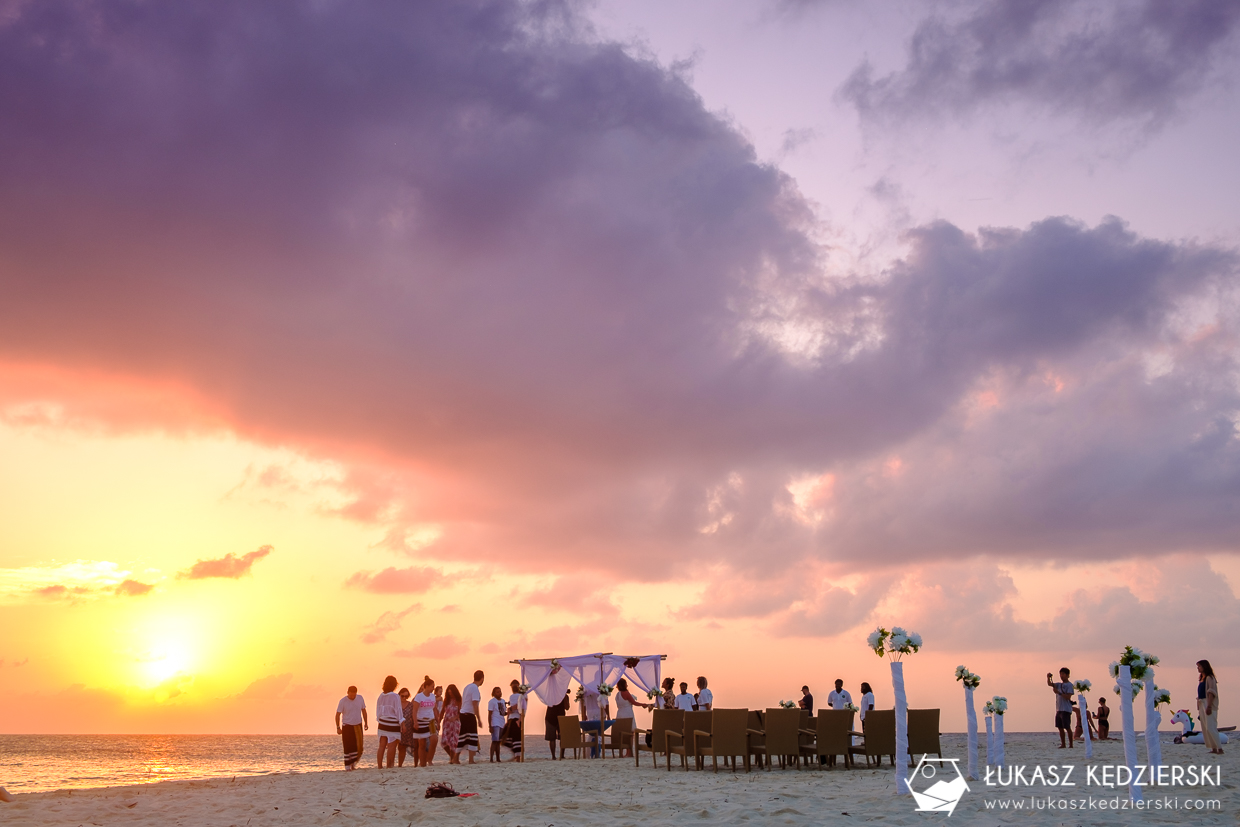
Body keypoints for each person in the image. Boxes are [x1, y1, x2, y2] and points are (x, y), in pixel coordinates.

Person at [334, 685, 368, 770]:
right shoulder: (343, 701)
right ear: (347, 693)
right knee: (348, 746)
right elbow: (337, 714)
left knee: (358, 746)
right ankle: (348, 766)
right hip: (347, 726)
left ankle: (353, 764)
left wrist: (366, 723)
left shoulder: (360, 698)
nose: (352, 696)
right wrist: (338, 727)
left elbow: (363, 710)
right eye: (351, 695)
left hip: (357, 725)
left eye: (354, 695)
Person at [614, 678, 649, 758]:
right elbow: (634, 702)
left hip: (620, 713)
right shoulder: (626, 693)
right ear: (624, 685)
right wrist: (642, 704)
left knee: (622, 733)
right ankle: (629, 752)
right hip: (627, 713)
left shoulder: (617, 694)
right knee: (630, 733)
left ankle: (624, 752)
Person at [376, 675, 403, 768]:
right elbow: (398, 710)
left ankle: (379, 766)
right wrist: (402, 722)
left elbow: (378, 711)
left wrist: (380, 720)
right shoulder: (395, 696)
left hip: (382, 722)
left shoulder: (381, 696)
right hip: (392, 723)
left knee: (382, 745)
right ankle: (389, 765)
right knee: (392, 745)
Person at [412, 676, 437, 767]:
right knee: (422, 743)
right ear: (426, 686)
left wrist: (437, 720)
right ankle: (422, 763)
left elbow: (434, 709)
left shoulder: (433, 696)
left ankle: (429, 760)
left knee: (434, 739)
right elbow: (414, 710)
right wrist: (415, 722)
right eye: (432, 686)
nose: (433, 688)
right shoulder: (419, 697)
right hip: (420, 721)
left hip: (431, 721)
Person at [1199, 659, 1222, 754]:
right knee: (1205, 727)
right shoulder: (1201, 678)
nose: (1198, 669)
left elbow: (1211, 692)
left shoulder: (1210, 678)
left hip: (1208, 703)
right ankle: (1213, 748)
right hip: (1201, 703)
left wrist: (1209, 706)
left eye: (1199, 666)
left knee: (1211, 727)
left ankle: (1219, 748)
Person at [459, 670, 484, 763]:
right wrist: (479, 718)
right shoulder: (475, 689)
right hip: (469, 715)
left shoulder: (467, 687)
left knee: (462, 737)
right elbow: (475, 704)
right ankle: (471, 759)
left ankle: (455, 758)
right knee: (473, 737)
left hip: (462, 714)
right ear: (482, 678)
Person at [1047, 668, 1074, 748]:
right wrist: (1048, 677)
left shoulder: (1069, 685)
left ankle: (1071, 744)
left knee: (1067, 727)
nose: (1061, 676)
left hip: (1066, 709)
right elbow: (1050, 684)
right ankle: (1063, 744)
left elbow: (1068, 697)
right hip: (1059, 709)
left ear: (1067, 675)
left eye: (1063, 674)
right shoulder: (1059, 684)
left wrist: (1058, 693)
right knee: (1060, 727)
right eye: (1060, 674)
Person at [503, 679, 525, 762]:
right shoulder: (512, 696)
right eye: (513, 686)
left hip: (516, 718)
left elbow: (519, 706)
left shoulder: (520, 696)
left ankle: (518, 756)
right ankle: (516, 754)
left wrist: (519, 719)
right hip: (512, 718)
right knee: (505, 737)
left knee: (516, 738)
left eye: (515, 686)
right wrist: (507, 720)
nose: (514, 687)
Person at [545, 689, 571, 759]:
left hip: (559, 717)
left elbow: (567, 707)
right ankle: (554, 756)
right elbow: (567, 707)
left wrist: (564, 695)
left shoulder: (562, 696)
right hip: (551, 717)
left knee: (561, 737)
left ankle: (561, 755)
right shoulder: (551, 695)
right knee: (552, 738)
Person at [441, 684, 463, 764]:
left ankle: (454, 759)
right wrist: (439, 721)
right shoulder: (446, 700)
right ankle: (453, 757)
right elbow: (442, 712)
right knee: (444, 742)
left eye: (451, 693)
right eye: (449, 693)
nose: (450, 694)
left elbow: (461, 712)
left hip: (455, 723)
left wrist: (455, 717)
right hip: (447, 723)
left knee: (454, 741)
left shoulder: (458, 700)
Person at [487, 686, 507, 762]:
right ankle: (491, 758)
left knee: (499, 741)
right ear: (494, 693)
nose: (499, 693)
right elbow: (489, 714)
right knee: (494, 741)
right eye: (497, 692)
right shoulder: (492, 701)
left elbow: (503, 712)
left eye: (500, 691)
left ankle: (498, 758)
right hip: (495, 722)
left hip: (502, 722)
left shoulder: (503, 701)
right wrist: (490, 725)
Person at [397, 687, 414, 767]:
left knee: (403, 746)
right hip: (396, 727)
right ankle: (392, 763)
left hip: (407, 728)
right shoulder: (396, 704)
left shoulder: (410, 705)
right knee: (396, 746)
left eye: (406, 696)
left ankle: (400, 764)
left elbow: (413, 716)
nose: (404, 698)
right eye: (402, 696)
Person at [427, 685, 443, 764]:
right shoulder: (433, 697)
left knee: (434, 738)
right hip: (431, 719)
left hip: (435, 719)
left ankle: (430, 759)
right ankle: (427, 759)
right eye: (439, 691)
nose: (441, 693)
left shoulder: (438, 699)